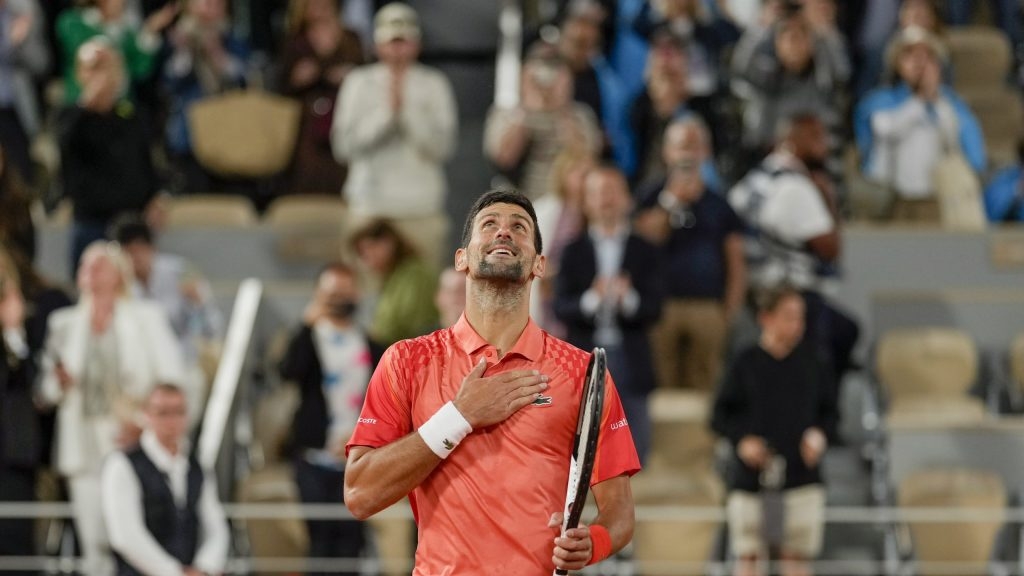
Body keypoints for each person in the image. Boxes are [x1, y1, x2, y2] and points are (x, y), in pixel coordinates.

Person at [344, 189, 640, 574]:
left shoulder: (582, 372)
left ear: (539, 264)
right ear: (461, 259)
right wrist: (460, 416)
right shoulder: (407, 361)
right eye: (489, 225)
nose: (504, 232)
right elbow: (359, 493)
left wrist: (592, 542)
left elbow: (619, 512)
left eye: (519, 227)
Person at [38, 241, 185, 576]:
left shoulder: (147, 317)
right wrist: (57, 382)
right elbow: (45, 393)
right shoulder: (64, 323)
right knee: (94, 543)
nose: (89, 273)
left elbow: (171, 378)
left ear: (119, 273)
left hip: (131, 441)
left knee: (137, 540)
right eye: (85, 266)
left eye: (98, 266)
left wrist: (146, 424)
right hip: (84, 447)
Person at [711, 285, 838, 576]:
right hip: (751, 479)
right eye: (789, 316)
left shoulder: (815, 363)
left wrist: (819, 436)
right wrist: (742, 441)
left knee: (796, 557)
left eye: (800, 318)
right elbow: (719, 415)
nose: (797, 325)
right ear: (766, 317)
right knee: (749, 558)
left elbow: (831, 414)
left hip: (800, 477)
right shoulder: (745, 362)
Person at [331, 2, 457, 267]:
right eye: (391, 42)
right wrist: (386, 116)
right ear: (377, 45)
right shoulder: (358, 82)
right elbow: (343, 147)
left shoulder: (434, 84)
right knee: (364, 297)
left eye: (405, 41)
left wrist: (407, 112)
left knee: (422, 295)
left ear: (417, 44)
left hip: (421, 206)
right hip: (369, 203)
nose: (398, 49)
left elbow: (443, 148)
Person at [278, 262, 384, 576]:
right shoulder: (309, 339)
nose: (339, 299)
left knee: (351, 538)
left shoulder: (372, 345)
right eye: (332, 293)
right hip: (314, 453)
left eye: (345, 291)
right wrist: (305, 325)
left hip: (357, 456)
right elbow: (287, 372)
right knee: (319, 538)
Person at [554, 166, 663, 464]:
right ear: (586, 202)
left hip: (631, 356)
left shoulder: (645, 250)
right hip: (585, 357)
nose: (606, 199)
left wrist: (628, 299)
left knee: (635, 448)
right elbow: (560, 306)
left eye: (613, 191)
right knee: (582, 445)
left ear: (627, 199)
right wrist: (592, 299)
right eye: (598, 193)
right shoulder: (572, 251)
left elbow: (656, 308)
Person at [634, 157, 746, 392]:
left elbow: (736, 259)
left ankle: (698, 432)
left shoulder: (719, 203)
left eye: (694, 147)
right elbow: (645, 240)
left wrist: (730, 309)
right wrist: (670, 202)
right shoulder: (651, 195)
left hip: (708, 307)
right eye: (682, 147)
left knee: (706, 384)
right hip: (660, 306)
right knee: (660, 381)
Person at [854, 25, 985, 222]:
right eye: (910, 55)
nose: (919, 63)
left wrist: (935, 99)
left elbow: (963, 146)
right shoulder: (881, 101)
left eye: (926, 56)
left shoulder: (949, 104)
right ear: (897, 63)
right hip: (891, 200)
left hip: (934, 199)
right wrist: (919, 99)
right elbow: (886, 130)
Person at [101, 383, 229, 576]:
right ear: (146, 414)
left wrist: (205, 567)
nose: (172, 421)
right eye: (163, 413)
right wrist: (174, 573)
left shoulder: (197, 467)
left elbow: (216, 526)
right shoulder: (121, 464)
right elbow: (125, 536)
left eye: (179, 412)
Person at [58, 39, 161, 277]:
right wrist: (87, 104)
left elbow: (147, 162)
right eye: (94, 67)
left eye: (109, 66)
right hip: (90, 222)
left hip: (132, 224)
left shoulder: (131, 116)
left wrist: (156, 196)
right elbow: (65, 147)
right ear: (79, 73)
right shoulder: (69, 116)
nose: (102, 75)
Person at [110, 215, 223, 425]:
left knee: (189, 385)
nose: (134, 258)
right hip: (138, 367)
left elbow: (209, 328)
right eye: (127, 252)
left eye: (138, 250)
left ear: (151, 248)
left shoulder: (181, 272)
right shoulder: (118, 284)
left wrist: (196, 305)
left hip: (182, 360)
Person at [484, 41, 602, 200]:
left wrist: (561, 106)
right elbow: (504, 158)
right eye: (539, 64)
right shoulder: (507, 113)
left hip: (566, 203)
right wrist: (528, 105)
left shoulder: (580, 114)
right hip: (521, 200)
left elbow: (585, 159)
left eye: (555, 65)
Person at [276, 0, 365, 195]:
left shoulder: (351, 38)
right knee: (306, 181)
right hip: (305, 125)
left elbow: (367, 78)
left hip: (343, 118)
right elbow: (280, 87)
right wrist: (297, 79)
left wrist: (351, 77)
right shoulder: (295, 40)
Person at [162, 0, 249, 194]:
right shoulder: (178, 38)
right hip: (188, 134)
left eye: (216, 3)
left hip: (229, 132)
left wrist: (217, 53)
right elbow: (170, 82)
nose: (210, 8)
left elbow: (244, 79)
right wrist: (184, 50)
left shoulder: (232, 38)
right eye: (205, 2)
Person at [0, 243, 41, 575]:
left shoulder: (23, 332)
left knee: (15, 547)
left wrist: (13, 329)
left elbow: (27, 383)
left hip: (12, 455)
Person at [55, 0, 178, 104]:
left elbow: (140, 69)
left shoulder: (125, 32)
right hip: (84, 104)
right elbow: (89, 54)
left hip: (120, 107)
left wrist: (150, 30)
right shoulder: (72, 22)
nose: (121, 4)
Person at [350, 218, 438, 346]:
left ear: (388, 243)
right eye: (362, 253)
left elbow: (411, 322)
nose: (367, 258)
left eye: (370, 248)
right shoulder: (392, 278)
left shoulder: (414, 274)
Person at [0, 0, 50, 186]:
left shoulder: (25, 11)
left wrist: (22, 43)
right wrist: (9, 44)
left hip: (16, 108)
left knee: (22, 174)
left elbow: (42, 64)